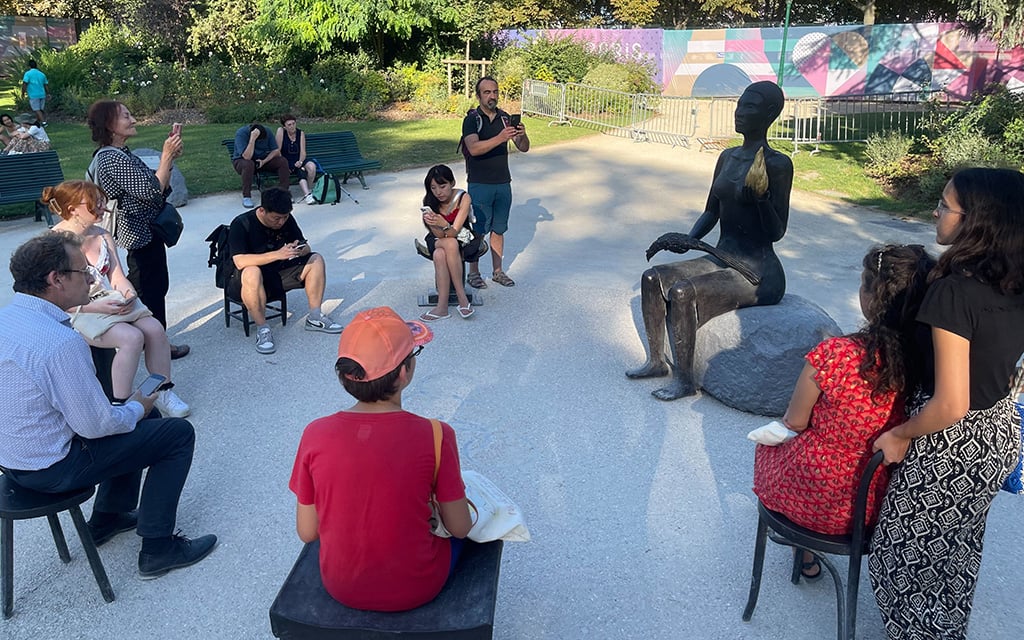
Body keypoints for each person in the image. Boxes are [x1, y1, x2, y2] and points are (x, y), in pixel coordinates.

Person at [0, 232, 216, 579]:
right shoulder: (59, 342)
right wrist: (138, 405)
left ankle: (108, 517)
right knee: (175, 433)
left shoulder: (7, 320)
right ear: (56, 280)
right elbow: (96, 427)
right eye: (82, 271)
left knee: (141, 419)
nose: (91, 278)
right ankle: (158, 548)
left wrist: (132, 410)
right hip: (52, 467)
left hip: (13, 460)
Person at [869, 168, 1024, 639]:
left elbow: (951, 403)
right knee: (955, 554)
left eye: (945, 205)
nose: (936, 211)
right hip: (997, 433)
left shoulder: (955, 292)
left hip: (952, 445)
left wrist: (899, 433)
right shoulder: (1013, 281)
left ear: (977, 220)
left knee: (902, 560)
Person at [753, 244, 934, 580]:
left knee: (770, 443)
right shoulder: (926, 365)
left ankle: (803, 549)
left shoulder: (835, 354)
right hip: (876, 505)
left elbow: (795, 420)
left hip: (816, 498)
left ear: (870, 296)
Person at [290, 306, 473, 611]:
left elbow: (307, 532)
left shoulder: (315, 434)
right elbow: (460, 528)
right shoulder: (438, 435)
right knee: (471, 534)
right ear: (405, 372)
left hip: (340, 586)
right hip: (418, 587)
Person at [626, 81, 793, 401]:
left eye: (750, 107)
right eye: (740, 104)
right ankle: (657, 361)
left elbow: (776, 232)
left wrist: (761, 198)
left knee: (682, 291)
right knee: (652, 278)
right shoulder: (727, 157)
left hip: (757, 272)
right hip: (721, 255)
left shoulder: (777, 164)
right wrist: (686, 241)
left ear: (770, 113)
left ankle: (686, 380)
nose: (740, 112)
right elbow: (710, 211)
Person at [46, 180, 190, 418]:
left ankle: (161, 390)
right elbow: (55, 297)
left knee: (154, 329)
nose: (104, 209)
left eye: (103, 202)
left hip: (109, 300)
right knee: (131, 338)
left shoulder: (102, 234)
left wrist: (128, 294)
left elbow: (117, 277)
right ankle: (120, 407)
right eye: (95, 204)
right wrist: (94, 306)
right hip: (76, 309)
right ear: (72, 209)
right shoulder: (54, 243)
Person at [86, 100, 190, 360]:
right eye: (126, 116)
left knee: (154, 286)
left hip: (147, 230)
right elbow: (150, 190)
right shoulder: (111, 158)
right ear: (109, 125)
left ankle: (152, 338)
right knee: (146, 288)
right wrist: (165, 156)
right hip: (137, 233)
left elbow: (159, 189)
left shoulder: (123, 153)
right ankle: (151, 342)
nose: (133, 120)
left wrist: (169, 160)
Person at [228, 187, 343, 354]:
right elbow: (239, 261)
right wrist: (277, 254)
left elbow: (306, 246)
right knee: (252, 271)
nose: (281, 222)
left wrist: (297, 249)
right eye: (276, 218)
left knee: (316, 259)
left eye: (284, 217)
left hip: (277, 274)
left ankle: (315, 317)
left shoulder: (286, 219)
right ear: (262, 210)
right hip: (245, 282)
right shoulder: (241, 223)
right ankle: (263, 329)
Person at [461, 76, 529, 289]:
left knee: (499, 229)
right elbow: (473, 148)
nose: (492, 96)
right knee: (478, 230)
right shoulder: (472, 119)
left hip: (503, 182)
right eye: (487, 92)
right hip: (480, 183)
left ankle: (498, 272)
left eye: (495, 92)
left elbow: (524, 147)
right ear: (479, 95)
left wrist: (522, 135)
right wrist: (500, 138)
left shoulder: (505, 119)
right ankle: (473, 273)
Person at [418, 164, 486, 321]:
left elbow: (455, 231)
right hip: (438, 238)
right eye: (433, 188)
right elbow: (439, 235)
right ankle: (462, 300)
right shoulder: (430, 201)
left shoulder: (463, 197)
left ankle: (442, 308)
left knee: (441, 253)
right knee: (448, 244)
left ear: (452, 183)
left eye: (443, 186)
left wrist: (444, 223)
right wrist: (435, 224)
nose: (438, 192)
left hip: (463, 236)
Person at [233, 122, 290, 208]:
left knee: (282, 161)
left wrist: (264, 161)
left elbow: (276, 151)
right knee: (249, 164)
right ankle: (247, 196)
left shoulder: (267, 131)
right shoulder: (241, 133)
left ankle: (283, 193)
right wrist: (252, 139)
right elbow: (246, 156)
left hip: (261, 159)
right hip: (242, 161)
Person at [275, 114, 318, 205]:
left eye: (293, 123)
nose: (292, 126)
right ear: (284, 127)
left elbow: (303, 152)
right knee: (296, 170)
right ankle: (304, 194)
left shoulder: (300, 133)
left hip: (298, 158)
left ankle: (308, 190)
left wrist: (300, 161)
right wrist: (285, 163)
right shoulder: (281, 132)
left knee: (311, 166)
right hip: (284, 159)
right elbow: (277, 150)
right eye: (289, 125)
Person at [21, 59, 48, 126]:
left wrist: (23, 93)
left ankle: (44, 122)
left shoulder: (28, 74)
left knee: (36, 109)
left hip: (33, 94)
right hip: (42, 94)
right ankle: (37, 122)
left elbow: (25, 83)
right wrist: (48, 93)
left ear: (29, 66)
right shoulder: (42, 74)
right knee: (41, 109)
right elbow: (46, 85)